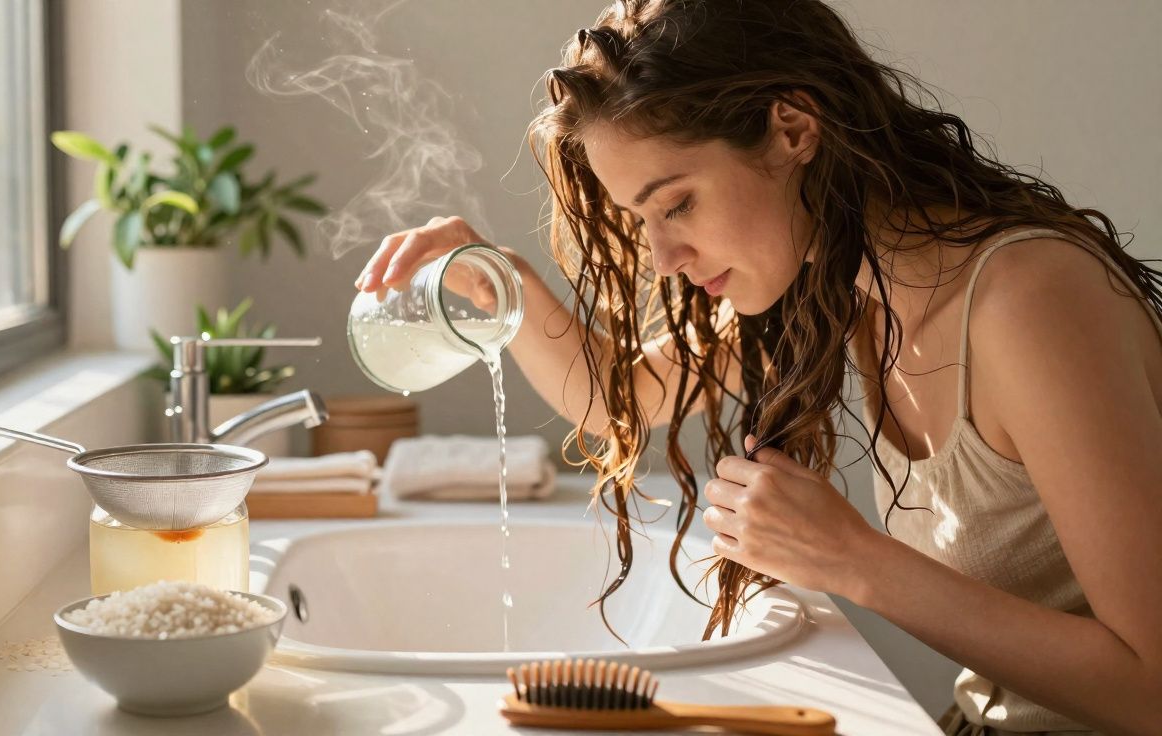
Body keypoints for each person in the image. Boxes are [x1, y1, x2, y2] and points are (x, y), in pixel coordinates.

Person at [353, 2, 1161, 733]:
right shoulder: (843, 281)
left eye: (677, 204)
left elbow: (1153, 688)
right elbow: (621, 399)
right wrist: (508, 285)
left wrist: (857, 563)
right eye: (642, 219)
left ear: (793, 130)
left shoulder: (1027, 302)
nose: (663, 257)